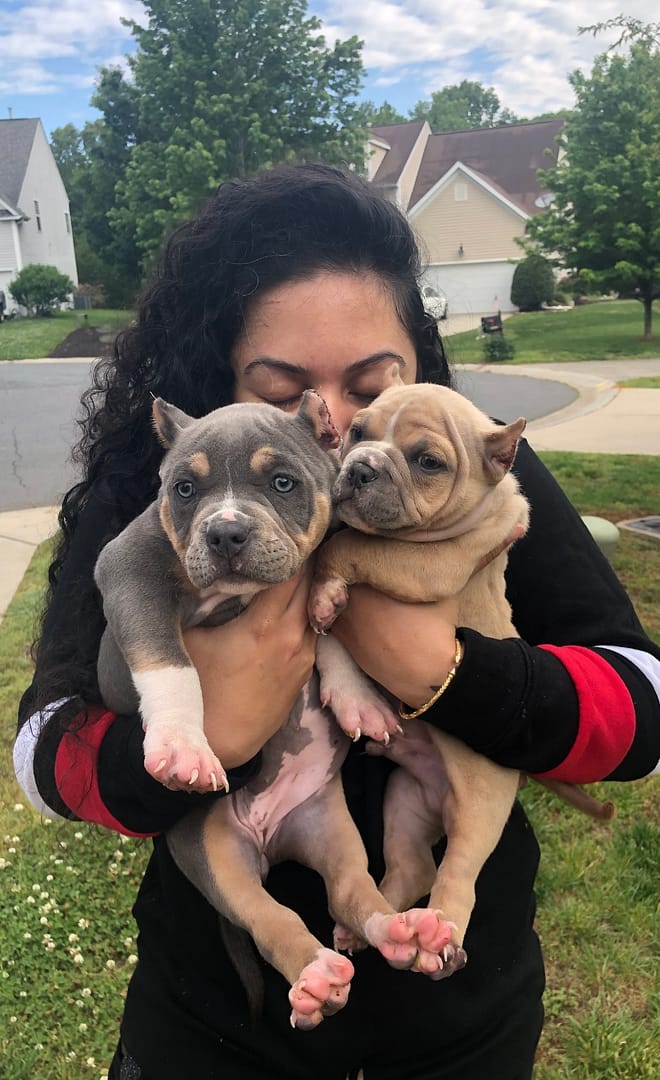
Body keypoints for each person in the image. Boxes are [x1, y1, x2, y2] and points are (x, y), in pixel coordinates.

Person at [14, 163, 660, 1080]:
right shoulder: (177, 492)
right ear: (220, 386)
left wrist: (448, 671)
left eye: (371, 388)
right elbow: (42, 749)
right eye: (284, 394)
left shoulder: (476, 475)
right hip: (212, 1029)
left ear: (419, 373)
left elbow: (642, 706)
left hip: (460, 1026)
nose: (336, 431)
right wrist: (203, 733)